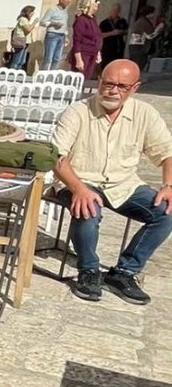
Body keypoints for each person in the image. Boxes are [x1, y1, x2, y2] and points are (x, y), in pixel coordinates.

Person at [52, 59, 172, 305]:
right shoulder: (77, 112)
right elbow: (56, 156)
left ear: (134, 88)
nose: (113, 90)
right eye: (108, 84)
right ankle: (88, 271)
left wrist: (169, 186)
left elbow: (166, 152)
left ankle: (124, 272)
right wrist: (79, 188)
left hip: (123, 183)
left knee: (166, 212)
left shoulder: (145, 114)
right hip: (79, 179)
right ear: (99, 81)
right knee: (88, 207)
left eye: (122, 86)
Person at [69, 0, 103, 84]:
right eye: (95, 2)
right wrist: (79, 60)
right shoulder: (81, 20)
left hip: (93, 53)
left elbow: (97, 36)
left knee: (86, 80)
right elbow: (77, 41)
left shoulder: (93, 19)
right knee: (78, 80)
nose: (98, 4)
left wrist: (98, 52)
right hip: (83, 53)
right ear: (89, 3)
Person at [38, 0, 72, 72]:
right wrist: (54, 23)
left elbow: (65, 24)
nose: (69, 1)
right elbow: (42, 22)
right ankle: (43, 75)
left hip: (61, 36)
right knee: (48, 58)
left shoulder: (65, 11)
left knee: (57, 58)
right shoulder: (52, 9)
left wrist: (66, 36)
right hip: (52, 35)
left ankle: (52, 76)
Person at [7, 6, 38, 70]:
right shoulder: (23, 19)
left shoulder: (26, 20)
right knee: (17, 60)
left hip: (24, 41)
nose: (32, 15)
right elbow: (28, 29)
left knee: (22, 61)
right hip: (20, 41)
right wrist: (34, 22)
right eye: (32, 13)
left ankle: (18, 74)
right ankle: (12, 74)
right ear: (28, 12)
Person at [128, 5, 156, 73]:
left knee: (136, 64)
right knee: (138, 65)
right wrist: (158, 29)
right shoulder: (144, 22)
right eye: (152, 13)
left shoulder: (141, 21)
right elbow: (150, 35)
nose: (154, 14)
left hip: (136, 46)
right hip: (139, 47)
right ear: (148, 13)